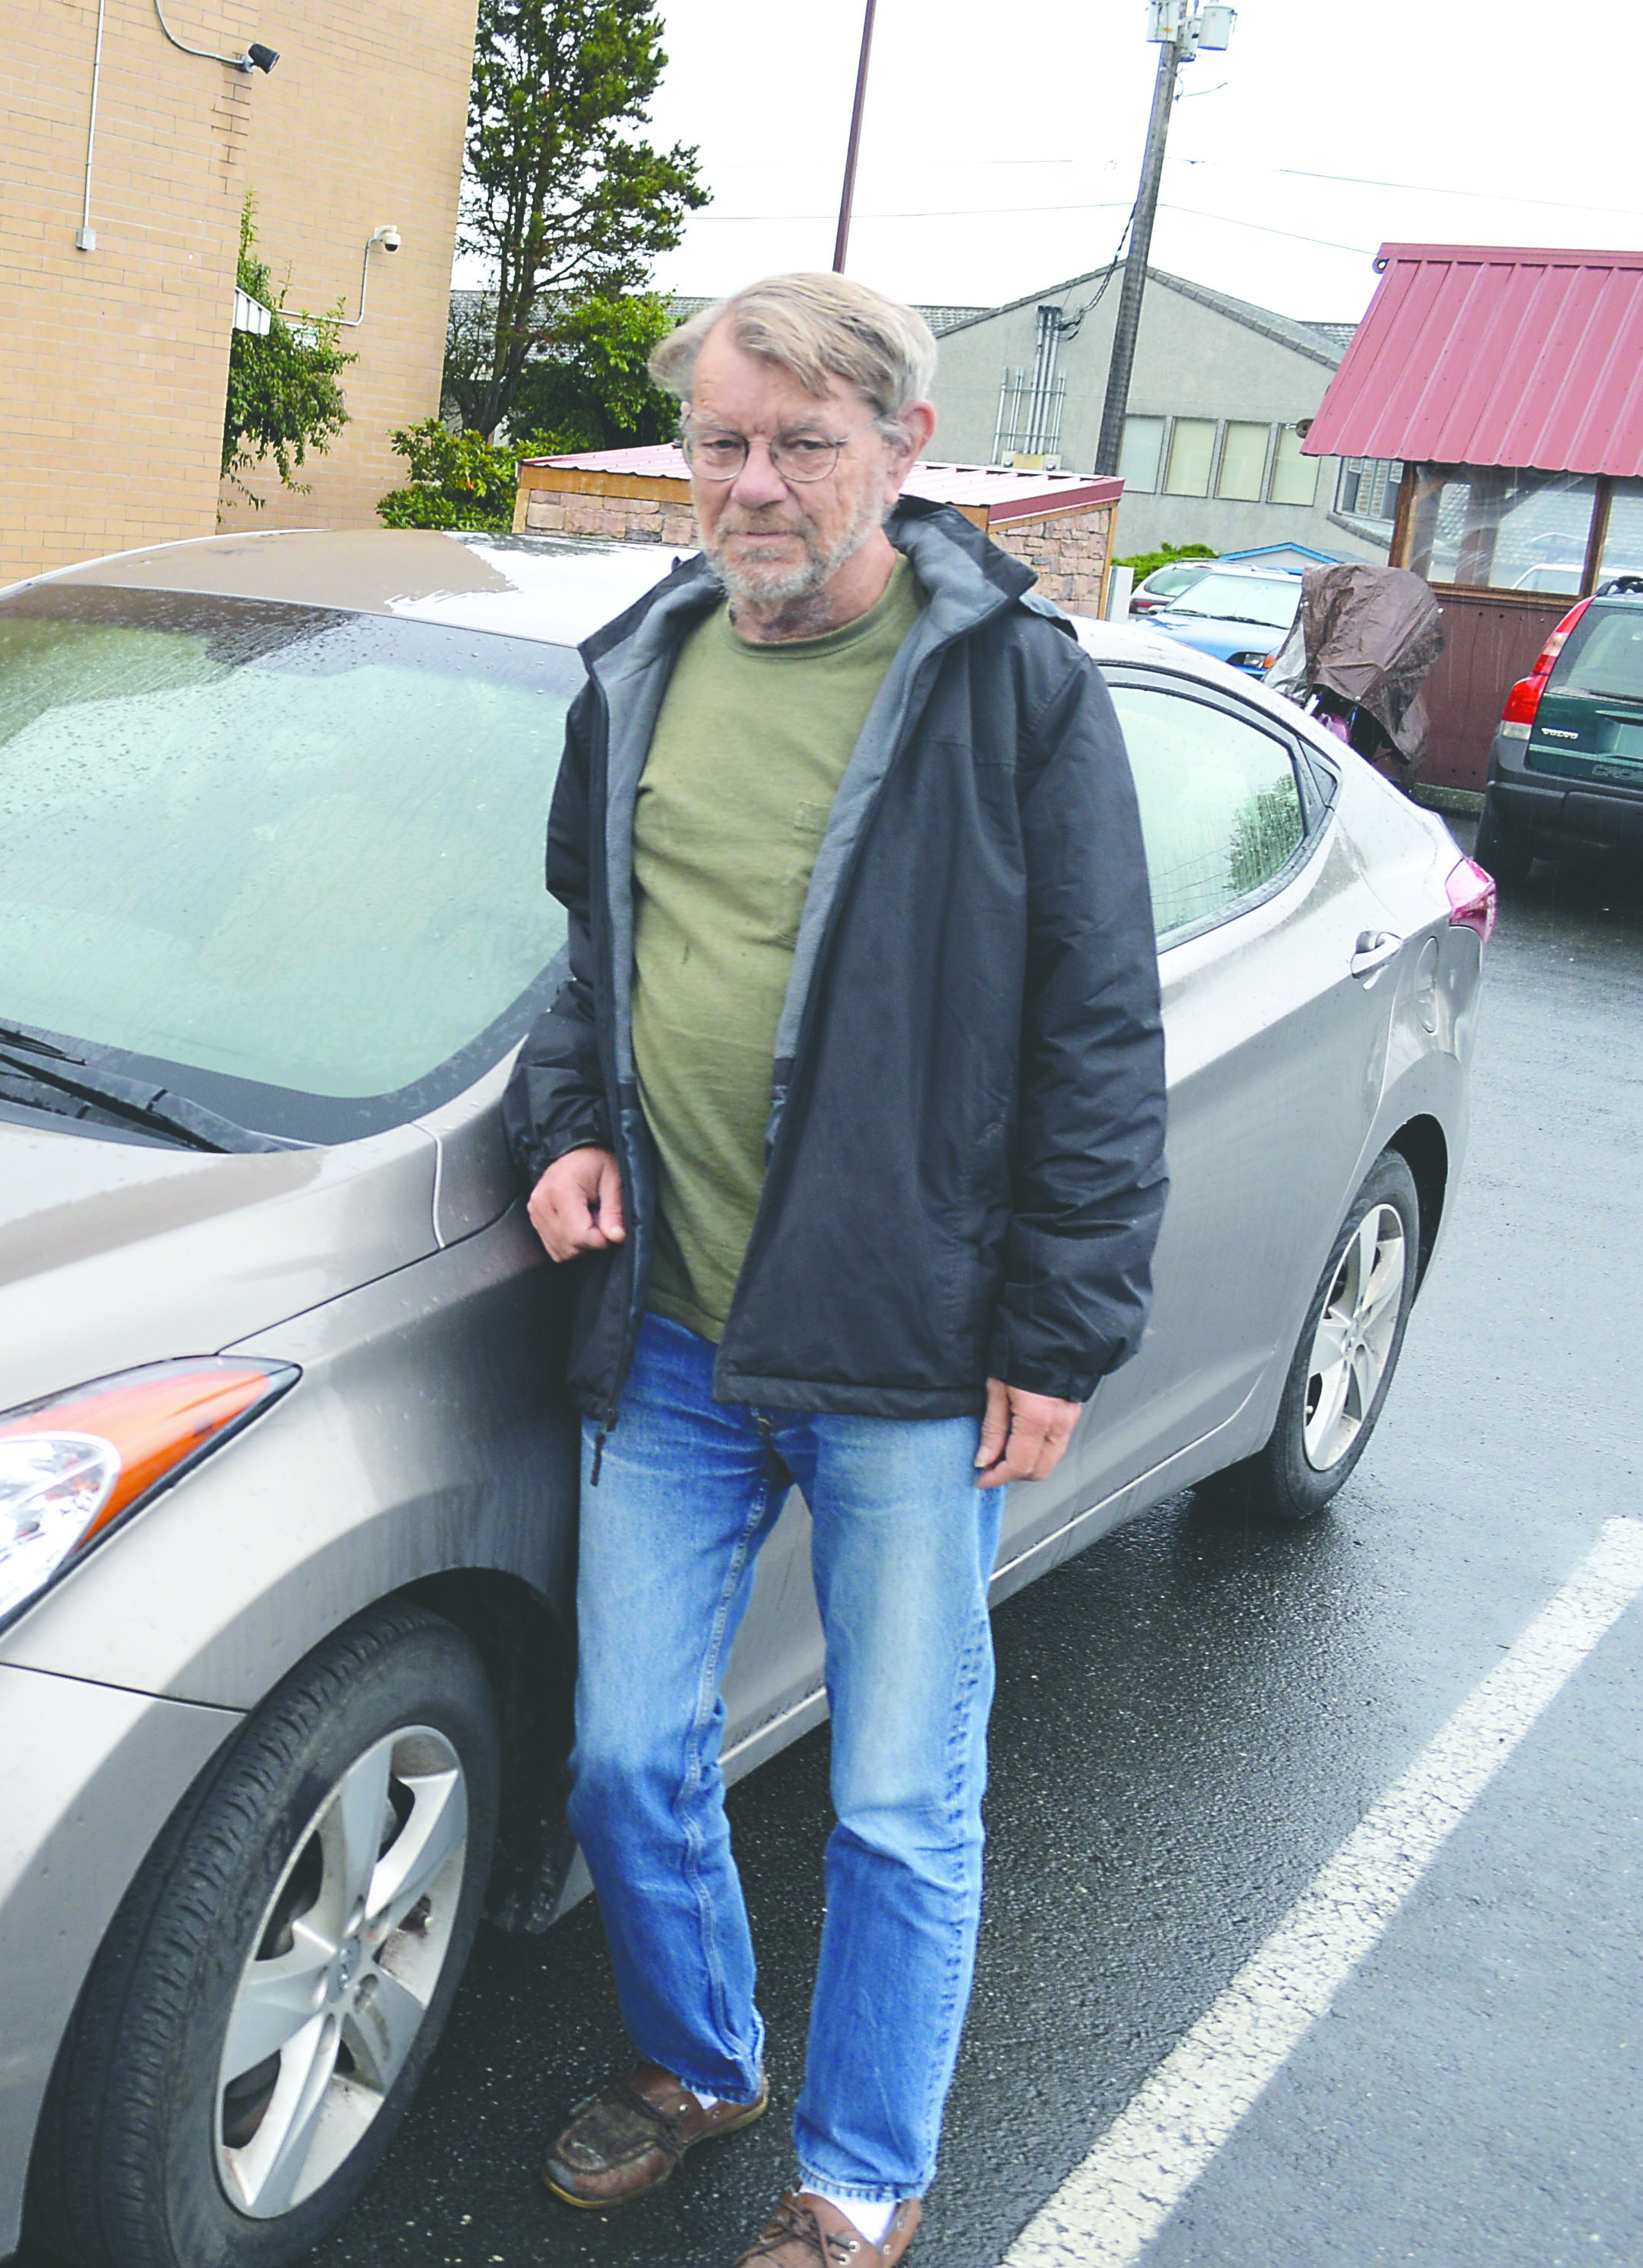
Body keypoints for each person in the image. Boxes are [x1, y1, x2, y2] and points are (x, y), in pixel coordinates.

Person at [507, 273, 1170, 2268]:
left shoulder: (1016, 691)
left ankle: (858, 2184)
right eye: (724, 439)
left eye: (805, 442)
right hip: (684, 1337)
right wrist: (570, 1130)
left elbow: (1098, 1026)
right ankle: (700, 2061)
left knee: (898, 1802)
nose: (759, 481)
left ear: (902, 451)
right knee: (625, 1753)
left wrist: (1059, 1328)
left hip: (912, 1351)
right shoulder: (636, 664)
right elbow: (592, 966)